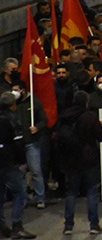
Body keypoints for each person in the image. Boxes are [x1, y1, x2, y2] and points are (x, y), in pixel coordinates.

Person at [56, 91, 102, 236]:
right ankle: (94, 224)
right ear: (86, 102)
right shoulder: (90, 117)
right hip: (88, 158)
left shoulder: (65, 116)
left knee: (72, 192)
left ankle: (68, 226)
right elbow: (101, 136)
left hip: (70, 159)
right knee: (91, 191)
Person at [0, 92, 35, 239]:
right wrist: (23, 162)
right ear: (13, 104)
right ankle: (17, 226)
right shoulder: (13, 119)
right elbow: (17, 143)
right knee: (20, 194)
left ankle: (2, 227)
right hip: (10, 162)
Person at [10, 81, 47, 210]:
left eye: (16, 90)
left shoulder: (34, 102)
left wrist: (37, 128)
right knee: (20, 173)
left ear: (24, 90)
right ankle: (23, 198)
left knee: (35, 171)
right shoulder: (13, 104)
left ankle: (40, 198)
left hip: (32, 142)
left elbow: (44, 120)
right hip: (18, 144)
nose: (14, 93)